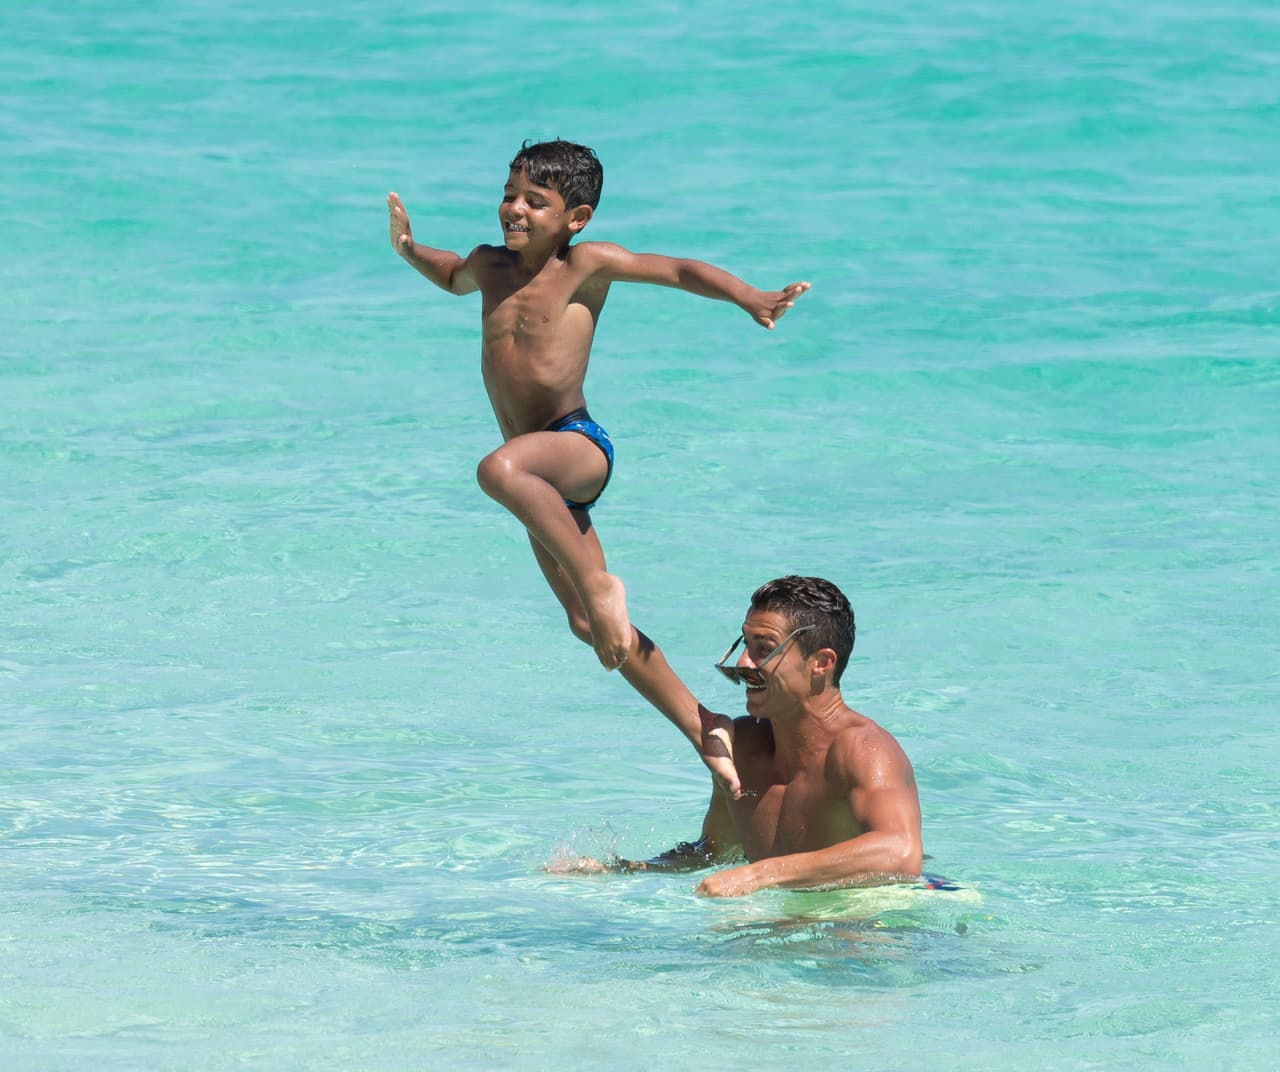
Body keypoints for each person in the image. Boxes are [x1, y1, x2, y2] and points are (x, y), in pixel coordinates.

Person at [387, 139, 809, 792]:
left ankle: (602, 586)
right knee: (588, 627)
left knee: (498, 473)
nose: (514, 209)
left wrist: (746, 295)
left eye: (536, 201)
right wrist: (410, 249)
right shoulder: (488, 265)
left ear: (576, 218)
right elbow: (450, 274)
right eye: (509, 194)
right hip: (542, 490)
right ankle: (708, 729)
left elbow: (678, 271)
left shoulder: (588, 265)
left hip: (575, 447)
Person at [554, 576, 925, 898]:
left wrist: (760, 875)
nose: (744, 663)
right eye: (745, 645)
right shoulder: (743, 749)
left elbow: (900, 851)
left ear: (821, 663)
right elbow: (714, 852)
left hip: (871, 932)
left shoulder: (863, 750)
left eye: (764, 649)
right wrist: (625, 870)